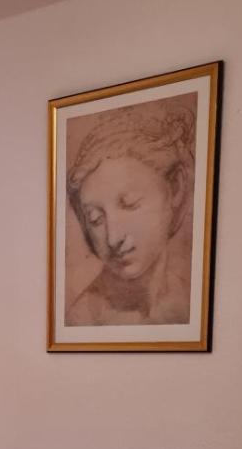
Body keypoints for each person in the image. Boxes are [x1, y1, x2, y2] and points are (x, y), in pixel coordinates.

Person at [65, 100, 196, 326]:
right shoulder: (83, 318)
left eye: (129, 204)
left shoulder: (186, 298)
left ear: (175, 187)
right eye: (95, 218)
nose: (113, 238)